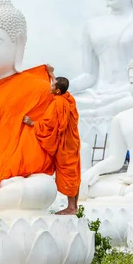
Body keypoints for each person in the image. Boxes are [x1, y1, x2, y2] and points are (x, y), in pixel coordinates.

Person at [23, 66, 81, 215]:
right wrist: (50, 73)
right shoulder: (68, 98)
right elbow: (58, 83)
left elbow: (49, 125)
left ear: (57, 91)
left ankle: (72, 208)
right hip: (72, 143)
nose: (50, 85)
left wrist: (32, 123)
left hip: (65, 146)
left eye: (52, 86)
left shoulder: (58, 104)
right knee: (74, 173)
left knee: (70, 175)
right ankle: (74, 206)